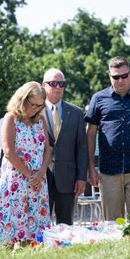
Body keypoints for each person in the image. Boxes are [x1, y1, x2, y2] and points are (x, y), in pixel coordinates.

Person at [85, 56, 130, 220]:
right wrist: (91, 167)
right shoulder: (98, 98)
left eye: (124, 76)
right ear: (109, 76)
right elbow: (90, 134)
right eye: (116, 77)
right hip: (109, 171)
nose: (120, 80)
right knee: (112, 224)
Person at [0, 82, 51, 245]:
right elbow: (8, 152)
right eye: (33, 104)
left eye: (39, 106)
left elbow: (47, 150)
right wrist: (30, 176)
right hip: (16, 182)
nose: (35, 109)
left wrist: (41, 173)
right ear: (23, 99)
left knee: (35, 235)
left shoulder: (41, 120)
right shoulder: (11, 118)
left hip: (38, 182)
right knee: (10, 232)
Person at [42, 68, 87, 225]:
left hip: (68, 179)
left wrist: (82, 177)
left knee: (66, 226)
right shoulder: (34, 112)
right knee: (40, 224)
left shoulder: (76, 113)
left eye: (61, 84)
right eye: (53, 83)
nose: (58, 87)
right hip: (41, 177)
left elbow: (81, 147)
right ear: (43, 86)